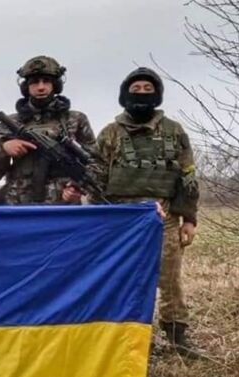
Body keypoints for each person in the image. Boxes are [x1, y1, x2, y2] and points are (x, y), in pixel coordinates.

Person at [93, 67, 200, 356]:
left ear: (157, 95)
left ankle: (177, 337)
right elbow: (96, 179)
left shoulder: (174, 131)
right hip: (120, 220)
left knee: (169, 280)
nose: (141, 93)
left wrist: (189, 219)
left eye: (147, 89)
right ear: (125, 94)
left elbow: (188, 177)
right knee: (121, 279)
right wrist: (99, 220)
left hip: (163, 218)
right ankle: (126, 338)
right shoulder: (110, 133)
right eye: (136, 89)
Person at [0, 55, 98, 205]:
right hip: (18, 208)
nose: (41, 87)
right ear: (26, 87)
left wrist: (76, 189)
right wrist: (4, 150)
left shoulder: (76, 119)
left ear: (56, 85)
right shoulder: (11, 123)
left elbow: (96, 163)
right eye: (35, 82)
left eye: (46, 81)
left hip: (63, 208)